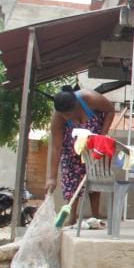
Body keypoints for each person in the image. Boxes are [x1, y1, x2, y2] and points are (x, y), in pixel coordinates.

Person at [47, 85, 116, 224]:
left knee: (95, 177)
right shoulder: (58, 118)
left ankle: (95, 217)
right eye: (63, 115)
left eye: (68, 113)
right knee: (70, 181)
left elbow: (110, 110)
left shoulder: (89, 98)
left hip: (93, 147)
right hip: (71, 152)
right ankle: (71, 217)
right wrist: (51, 178)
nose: (66, 117)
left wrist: (103, 135)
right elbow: (56, 147)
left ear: (75, 105)